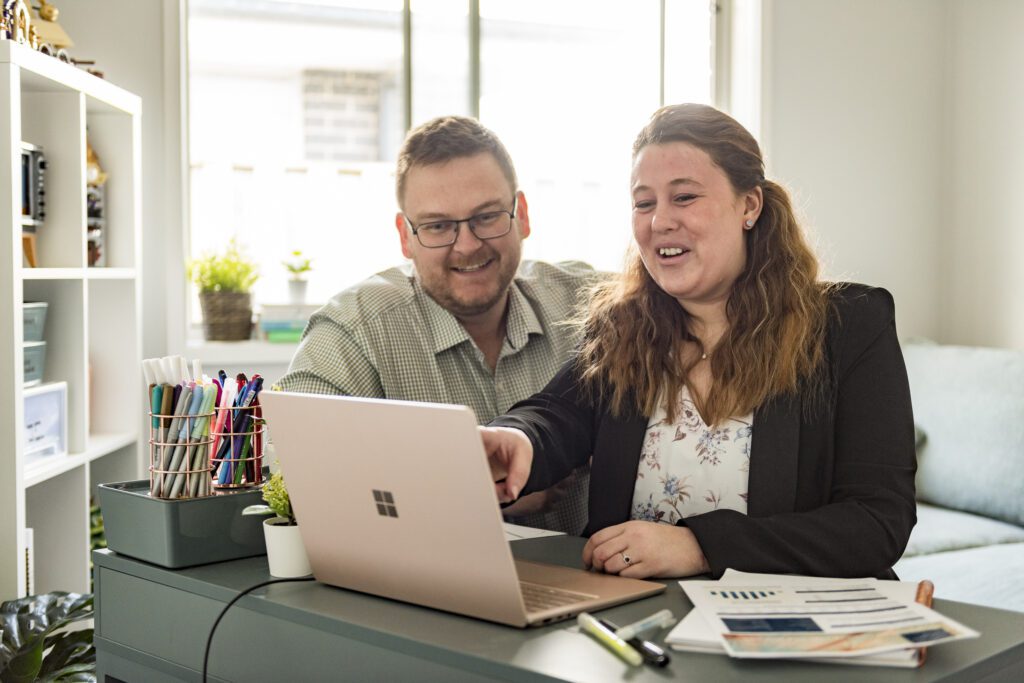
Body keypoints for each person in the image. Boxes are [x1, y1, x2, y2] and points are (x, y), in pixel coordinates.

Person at [483, 103, 916, 579]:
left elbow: (877, 522)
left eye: (684, 197)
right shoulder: (623, 327)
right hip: (636, 619)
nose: (659, 221)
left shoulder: (850, 326)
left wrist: (701, 547)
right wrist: (517, 437)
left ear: (749, 205)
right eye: (644, 203)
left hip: (787, 627)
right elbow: (556, 414)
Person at [277, 115, 596, 534]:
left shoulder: (587, 303)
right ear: (405, 236)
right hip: (410, 592)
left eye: (486, 217)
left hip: (593, 587)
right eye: (438, 226)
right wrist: (478, 499)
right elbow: (299, 484)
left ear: (523, 215)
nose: (466, 245)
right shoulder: (355, 331)